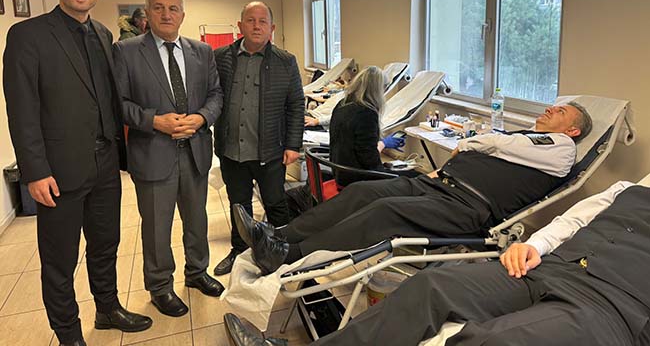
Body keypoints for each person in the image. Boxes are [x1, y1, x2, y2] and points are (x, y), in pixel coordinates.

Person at [224, 178, 650, 345]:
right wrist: (536, 244)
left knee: (491, 341)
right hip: (546, 267)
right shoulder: (630, 187)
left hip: (614, 305)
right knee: (432, 287)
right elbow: (577, 217)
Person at [235, 102, 592, 275]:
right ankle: (278, 235)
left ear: (572, 130)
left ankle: (288, 255)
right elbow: (498, 147)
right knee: (361, 192)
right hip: (438, 185)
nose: (550, 109)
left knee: (384, 212)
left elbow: (498, 145)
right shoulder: (528, 138)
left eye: (560, 111)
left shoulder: (562, 148)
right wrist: (452, 163)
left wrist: (472, 143)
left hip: (467, 208)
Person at [3, 0, 152, 346]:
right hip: (58, 171)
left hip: (105, 165)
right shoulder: (28, 36)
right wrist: (35, 171)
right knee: (60, 261)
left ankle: (107, 309)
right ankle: (69, 335)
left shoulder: (103, 34)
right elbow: (21, 109)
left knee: (106, 245)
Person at [113, 0, 224, 317]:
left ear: (182, 15)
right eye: (158, 8)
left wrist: (201, 118)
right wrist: (154, 121)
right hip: (153, 152)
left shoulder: (202, 52)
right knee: (157, 227)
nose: (166, 14)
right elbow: (117, 103)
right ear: (147, 14)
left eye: (173, 8)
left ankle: (197, 272)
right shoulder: (126, 52)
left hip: (195, 151)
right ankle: (160, 286)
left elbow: (216, 95)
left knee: (197, 219)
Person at [212, 1, 304, 276]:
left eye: (262, 21)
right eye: (250, 20)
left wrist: (293, 144)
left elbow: (296, 104)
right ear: (240, 26)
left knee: (275, 203)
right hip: (232, 151)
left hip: (271, 151)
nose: (256, 26)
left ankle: (281, 252)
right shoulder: (221, 58)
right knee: (239, 206)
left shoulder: (285, 61)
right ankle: (239, 251)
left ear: (272, 28)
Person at [328, 65, 410, 186]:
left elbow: (359, 148)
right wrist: (383, 144)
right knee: (415, 178)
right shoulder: (367, 113)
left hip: (340, 173)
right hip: (356, 180)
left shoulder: (342, 104)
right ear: (377, 90)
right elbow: (369, 160)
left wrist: (382, 144)